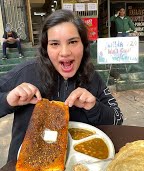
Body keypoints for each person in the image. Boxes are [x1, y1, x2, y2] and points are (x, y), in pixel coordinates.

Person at [0, 9, 123, 162]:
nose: (64, 52)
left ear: (84, 45)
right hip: (24, 169)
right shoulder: (26, 72)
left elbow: (117, 119)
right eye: (55, 44)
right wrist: (7, 100)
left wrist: (94, 107)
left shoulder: (92, 77)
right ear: (46, 48)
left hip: (79, 167)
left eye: (72, 42)